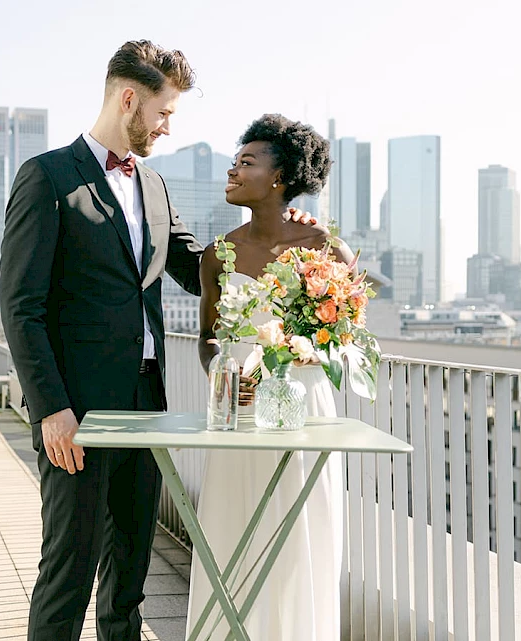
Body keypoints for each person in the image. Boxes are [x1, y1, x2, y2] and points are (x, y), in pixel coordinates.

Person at [0, 42, 317, 641]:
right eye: (164, 112)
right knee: (66, 574)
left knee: (129, 577)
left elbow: (199, 262)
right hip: (78, 414)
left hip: (146, 403)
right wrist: (52, 411)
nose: (169, 127)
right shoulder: (46, 178)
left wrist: (280, 227)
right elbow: (22, 308)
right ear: (129, 100)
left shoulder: (152, 183)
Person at [189, 114, 351, 640]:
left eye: (247, 162)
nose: (232, 169)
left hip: (303, 411)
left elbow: (345, 341)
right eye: (234, 161)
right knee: (231, 529)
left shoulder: (325, 249)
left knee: (300, 533)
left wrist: (311, 353)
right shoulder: (217, 255)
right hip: (237, 411)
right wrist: (222, 372)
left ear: (279, 179)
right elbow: (208, 338)